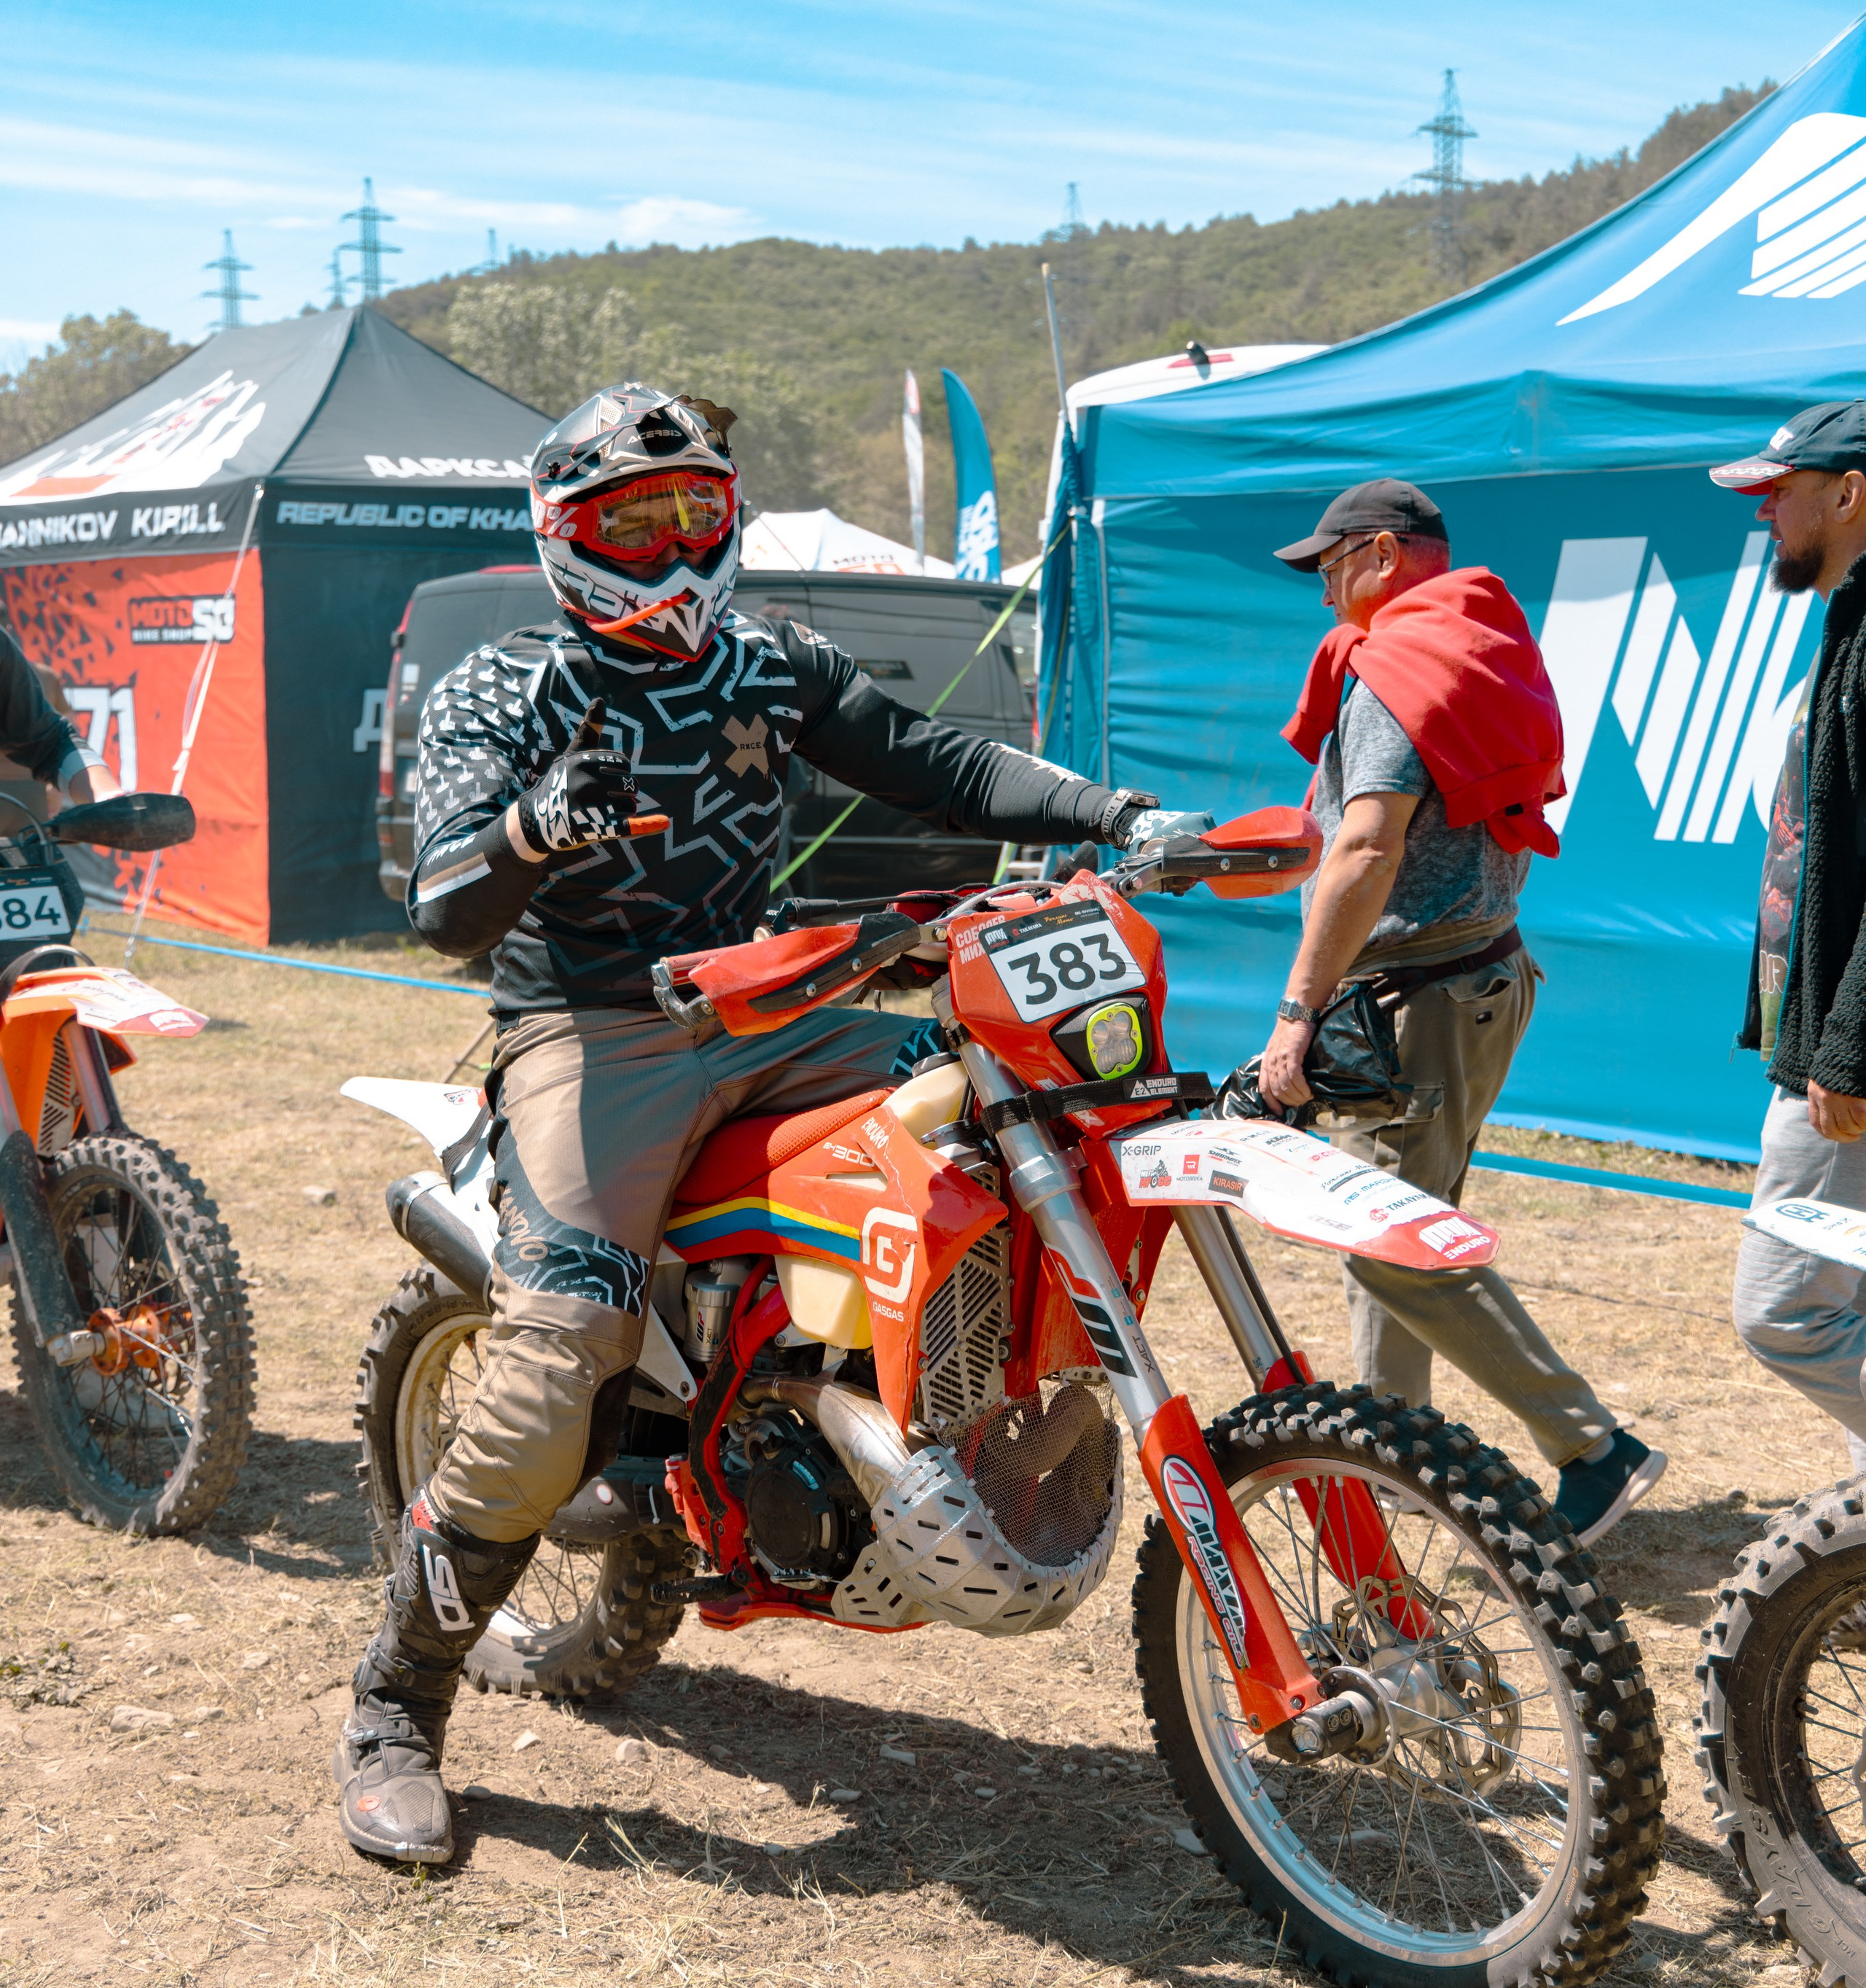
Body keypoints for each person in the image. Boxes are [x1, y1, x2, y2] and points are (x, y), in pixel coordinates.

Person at [332, 382, 1186, 1866]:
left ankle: (889, 1413)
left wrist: (1116, 816)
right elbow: (440, 904)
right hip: (592, 1033)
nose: (669, 547)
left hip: (773, 999)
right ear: (564, 535)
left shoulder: (769, 662)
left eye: (693, 514)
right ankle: (396, 1709)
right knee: (552, 1368)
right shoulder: (509, 683)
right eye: (631, 522)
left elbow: (935, 760)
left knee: (995, 1105)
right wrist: (536, 830)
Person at [1252, 476, 1664, 1538]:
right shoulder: (1470, 640)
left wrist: (1298, 1012)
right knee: (1386, 1236)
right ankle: (1406, 1457)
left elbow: (1368, 844)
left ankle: (1592, 1446)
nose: (1323, 588)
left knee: (1387, 1244)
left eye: (1332, 564)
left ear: (1384, 554)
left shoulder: (1394, 666)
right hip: (1467, 980)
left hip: (1426, 995)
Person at [1722, 402, 1866, 1467]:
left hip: (1847, 1062)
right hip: (1824, 1040)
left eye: (1783, 489)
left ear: (1851, 493)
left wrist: (1846, 1043)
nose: (1765, 511)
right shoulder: (1849, 622)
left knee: (1786, 1307)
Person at [0, 626, 120, 819]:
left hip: (27, 788)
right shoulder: (44, 674)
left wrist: (110, 797)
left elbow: (53, 741)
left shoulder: (9, 658)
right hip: (29, 790)